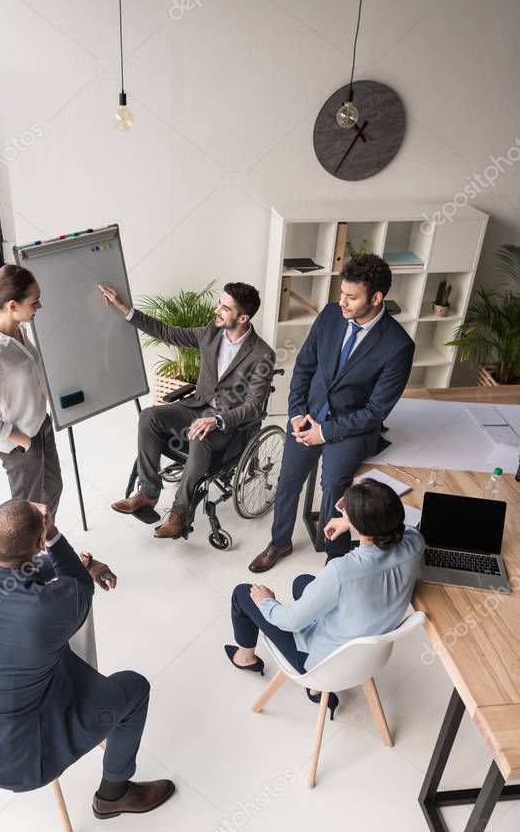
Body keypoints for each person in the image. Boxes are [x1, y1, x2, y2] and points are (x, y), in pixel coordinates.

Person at [0, 499, 175, 818]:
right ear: (39, 544)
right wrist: (54, 535)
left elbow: (10, 576)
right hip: (25, 760)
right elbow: (76, 585)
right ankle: (114, 794)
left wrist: (80, 562)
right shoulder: (49, 608)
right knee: (135, 687)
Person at [249, 253, 415, 572]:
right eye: (342, 293)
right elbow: (304, 367)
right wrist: (296, 412)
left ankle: (335, 558)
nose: (342, 302)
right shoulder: (329, 315)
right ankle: (279, 541)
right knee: (288, 480)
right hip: (309, 414)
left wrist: (324, 432)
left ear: (377, 298)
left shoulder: (398, 346)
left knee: (335, 485)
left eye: (351, 297)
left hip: (350, 427)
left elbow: (376, 411)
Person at [226, 478, 425, 717]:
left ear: (361, 526)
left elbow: (290, 621)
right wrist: (350, 522)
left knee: (243, 593)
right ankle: (316, 691)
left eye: (346, 511)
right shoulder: (415, 541)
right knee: (302, 582)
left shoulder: (341, 571)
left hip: (320, 662)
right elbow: (401, 532)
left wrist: (265, 602)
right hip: (370, 651)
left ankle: (246, 658)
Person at [100, 282, 276, 538]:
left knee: (199, 434)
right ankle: (148, 493)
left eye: (225, 308)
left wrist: (217, 420)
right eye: (220, 303)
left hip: (230, 426)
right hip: (197, 407)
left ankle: (180, 514)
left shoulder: (262, 354)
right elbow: (166, 332)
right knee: (149, 416)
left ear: (243, 317)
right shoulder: (211, 332)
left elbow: (253, 406)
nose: (217, 310)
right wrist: (124, 308)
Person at [0, 264, 63, 519]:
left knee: (54, 488)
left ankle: (46, 547)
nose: (39, 307)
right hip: (21, 443)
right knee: (28, 513)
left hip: (39, 427)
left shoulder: (19, 329)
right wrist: (25, 442)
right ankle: (30, 557)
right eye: (35, 302)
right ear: (13, 305)